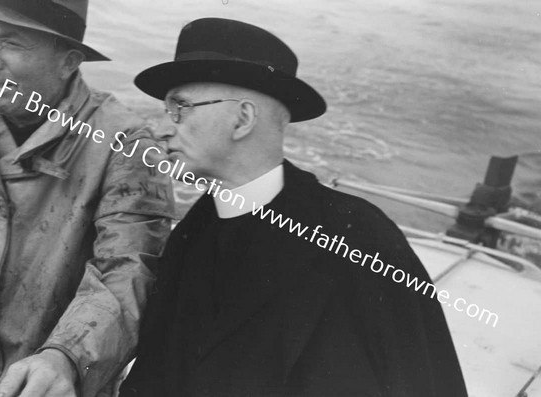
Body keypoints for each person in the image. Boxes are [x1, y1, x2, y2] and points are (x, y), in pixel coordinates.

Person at [119, 18, 468, 397]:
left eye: (180, 109)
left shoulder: (360, 238)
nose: (163, 130)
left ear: (243, 119)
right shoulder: (188, 234)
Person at [0, 0, 174, 396]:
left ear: (68, 62)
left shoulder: (126, 144)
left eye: (11, 43)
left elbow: (129, 269)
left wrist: (65, 356)